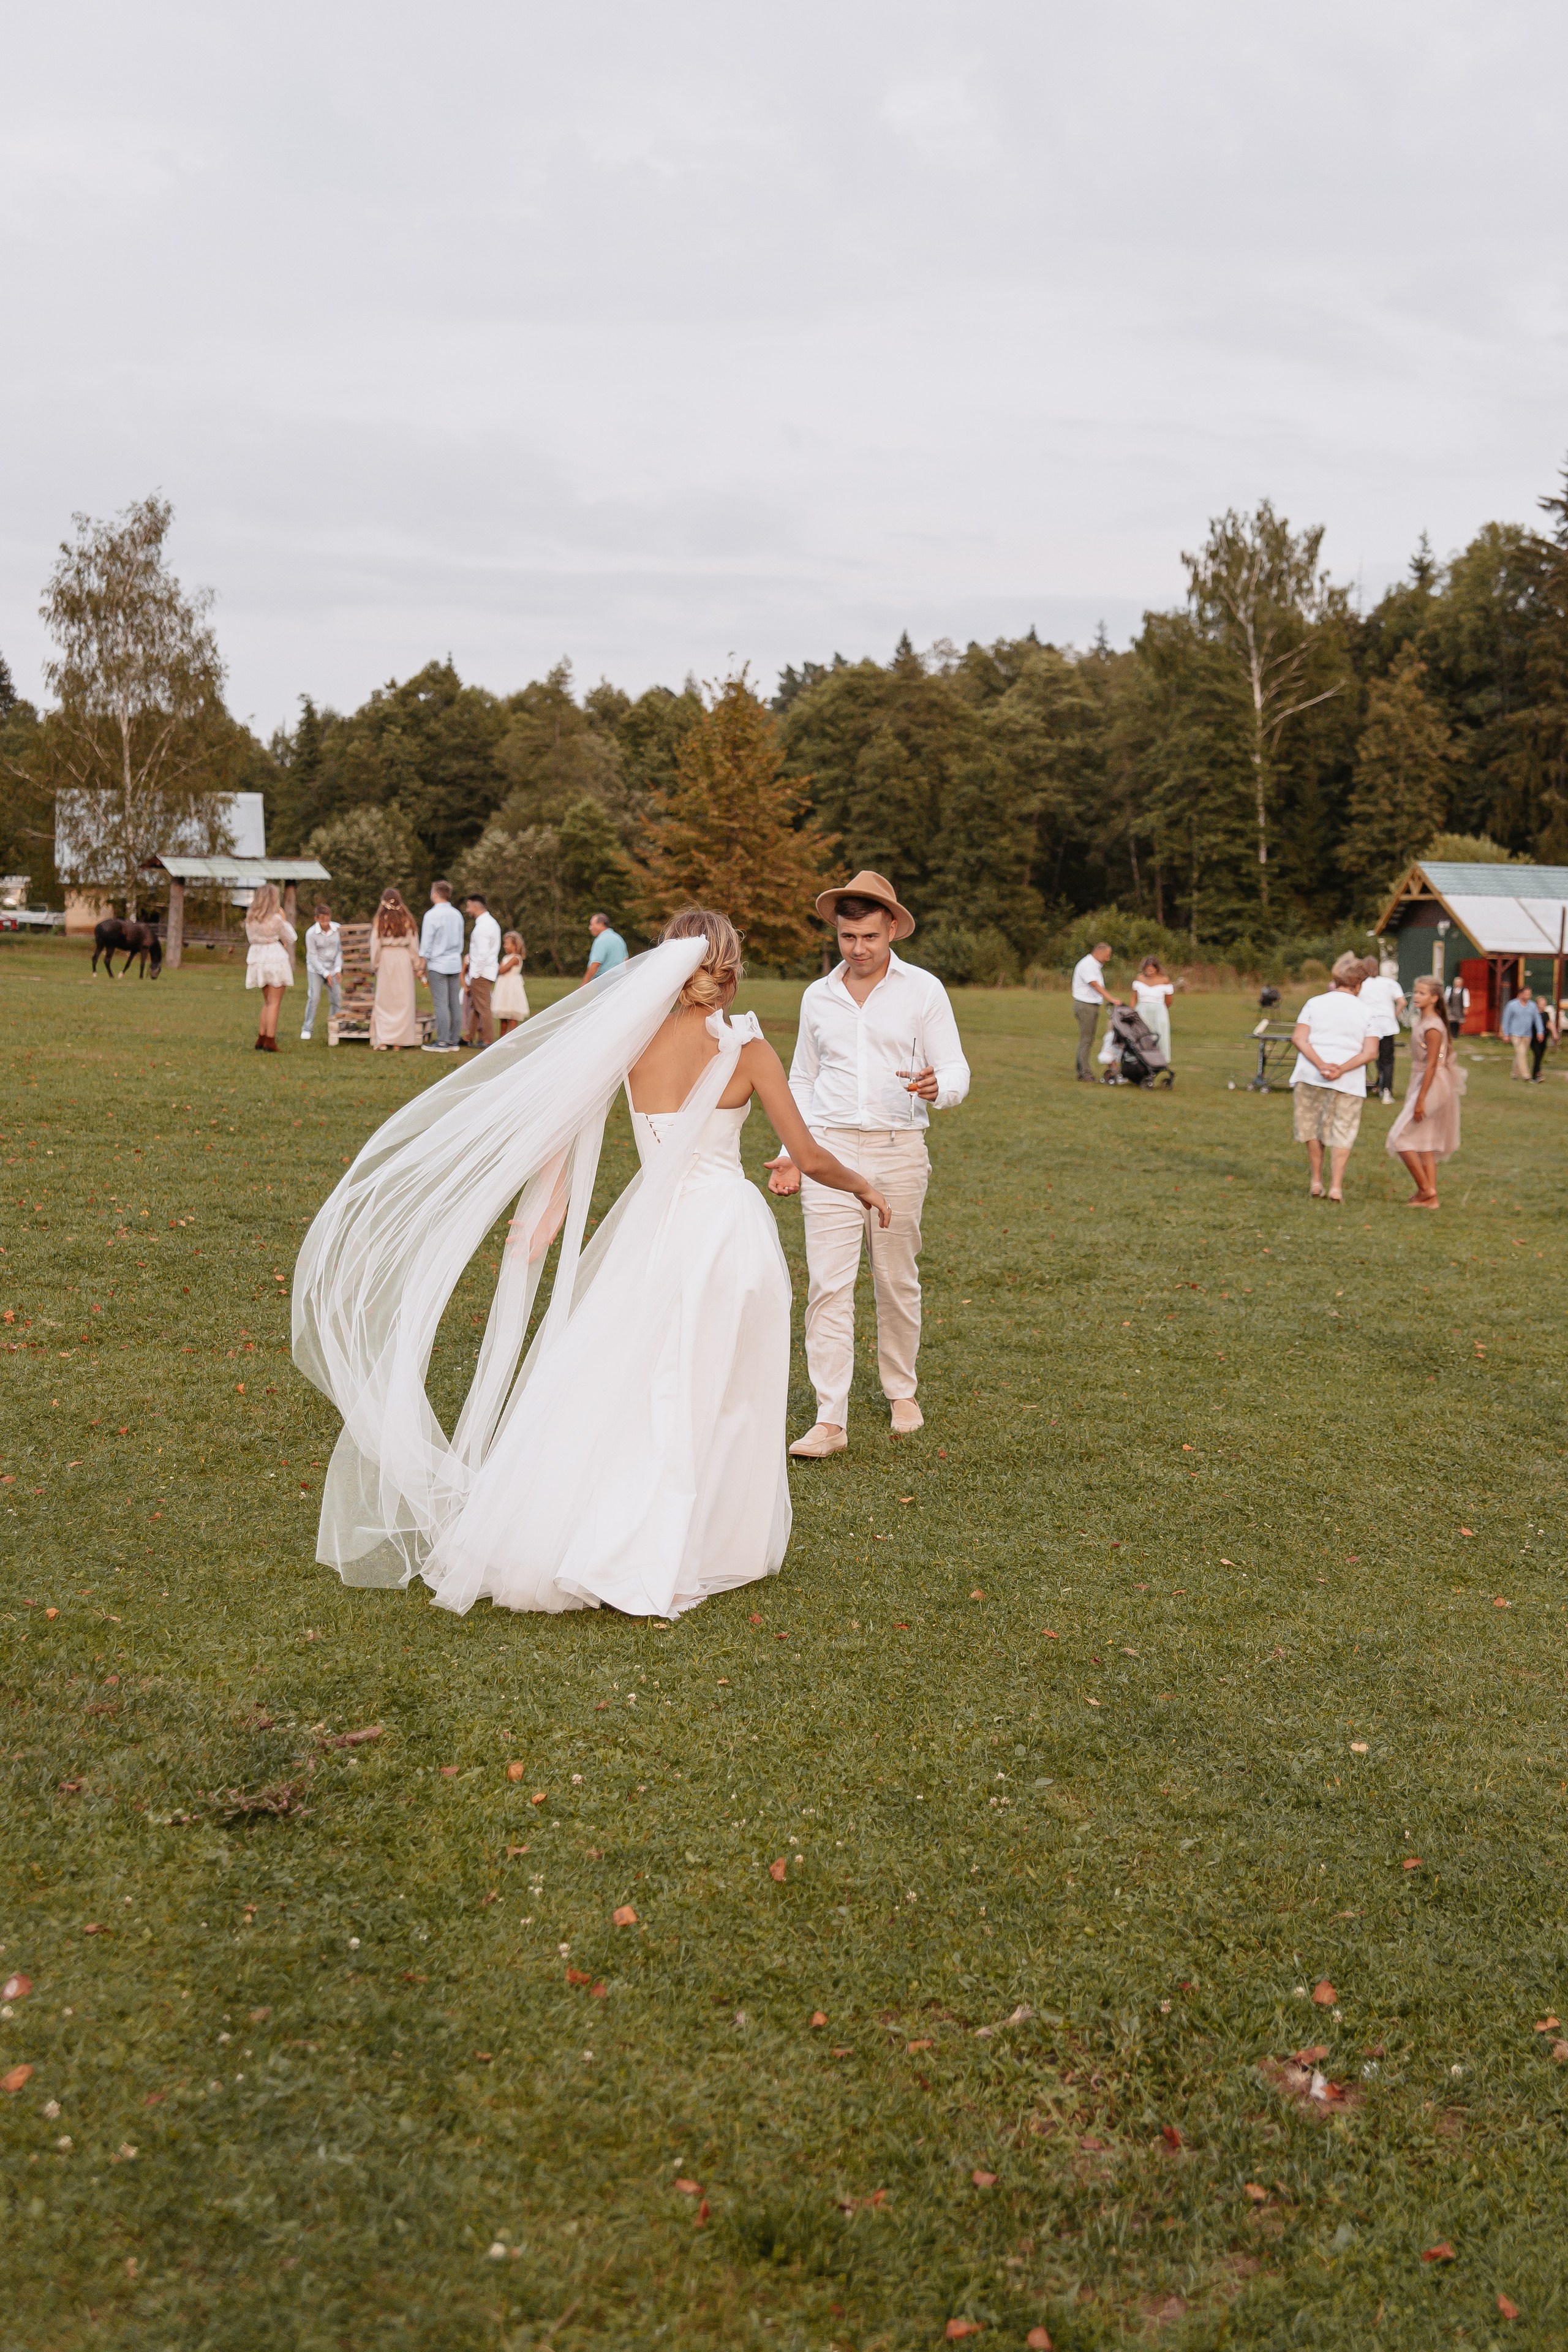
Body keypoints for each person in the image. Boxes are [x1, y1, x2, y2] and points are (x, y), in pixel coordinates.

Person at [293, 908, 889, 1618]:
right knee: (720, 1388)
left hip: (654, 1231)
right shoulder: (748, 1050)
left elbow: (564, 1126)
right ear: (727, 971)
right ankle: (695, 1541)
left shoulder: (629, 1045)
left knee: (644, 1381)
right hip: (727, 1234)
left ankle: (623, 1527)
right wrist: (864, 1185)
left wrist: (546, 1209)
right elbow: (812, 1155)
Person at [764, 870, 970, 1457]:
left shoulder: (924, 990)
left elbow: (956, 1069)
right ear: (837, 932)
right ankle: (830, 1417)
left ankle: (901, 1389)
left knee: (895, 1279)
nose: (858, 949)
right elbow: (802, 1078)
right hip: (827, 1152)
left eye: (870, 938)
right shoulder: (816, 997)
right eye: (848, 936)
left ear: (892, 933)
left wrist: (939, 1088)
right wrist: (790, 1155)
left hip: (898, 1150)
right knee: (828, 1285)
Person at [1287, 951, 1378, 1202]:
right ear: (1359, 985)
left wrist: (1321, 1064)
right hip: (1348, 1082)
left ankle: (1317, 1180)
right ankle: (1336, 1186)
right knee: (1343, 1130)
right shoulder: (1367, 1013)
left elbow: (1299, 1038)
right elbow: (1370, 1052)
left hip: (1310, 1075)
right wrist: (1341, 1069)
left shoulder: (1314, 1003)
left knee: (1312, 1127)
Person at [1386, 974, 1465, 1208]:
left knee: (1399, 1137)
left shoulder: (1433, 1026)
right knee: (1424, 1140)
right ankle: (1432, 1199)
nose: (1416, 996)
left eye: (1422, 993)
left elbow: (1432, 1064)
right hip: (1421, 1079)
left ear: (1434, 998)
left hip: (1431, 1083)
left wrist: (1421, 1100)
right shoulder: (1423, 1020)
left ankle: (1426, 1190)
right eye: (1416, 992)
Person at [244, 883, 295, 1054]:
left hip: (257, 957)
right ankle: (270, 1041)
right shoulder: (276, 918)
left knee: (267, 1002)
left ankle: (262, 1037)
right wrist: (284, 918)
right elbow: (291, 937)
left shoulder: (251, 918)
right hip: (274, 957)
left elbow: (251, 938)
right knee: (275, 1003)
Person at [369, 889, 421, 1049]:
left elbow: (375, 945)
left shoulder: (380, 920)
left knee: (385, 1000)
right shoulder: (407, 919)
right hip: (403, 958)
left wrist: (375, 964)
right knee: (402, 1000)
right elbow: (414, 944)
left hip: (386, 958)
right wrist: (416, 964)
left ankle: (384, 1039)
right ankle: (399, 1041)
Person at [418, 881, 464, 1052]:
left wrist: (422, 964)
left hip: (438, 963)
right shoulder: (457, 914)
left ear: (436, 893)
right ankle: (453, 1041)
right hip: (454, 962)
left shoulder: (432, 915)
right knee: (454, 1004)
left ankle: (443, 1042)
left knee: (441, 1004)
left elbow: (427, 942)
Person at [1357, 957, 1407, 1104]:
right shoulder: (1390, 983)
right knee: (1387, 1060)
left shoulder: (1361, 985)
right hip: (1387, 1025)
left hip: (1367, 1026)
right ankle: (1386, 1091)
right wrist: (1393, 1016)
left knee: (1364, 1058)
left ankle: (1361, 1088)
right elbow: (1402, 1002)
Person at [1071, 941, 1120, 1080]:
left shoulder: (1094, 965)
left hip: (1091, 1005)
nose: (1108, 959)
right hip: (1086, 1006)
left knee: (1087, 1039)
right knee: (1087, 1040)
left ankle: (1081, 1069)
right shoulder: (1088, 965)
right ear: (1099, 952)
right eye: (1107, 955)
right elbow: (1094, 984)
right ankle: (1085, 1073)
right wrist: (1112, 999)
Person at [462, 892, 501, 1047]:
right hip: (486, 971)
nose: (467, 910)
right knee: (477, 1006)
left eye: (468, 906)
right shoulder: (489, 923)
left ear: (476, 907)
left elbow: (482, 954)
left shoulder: (484, 926)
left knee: (483, 1007)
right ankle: (469, 1037)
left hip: (482, 972)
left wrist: (475, 974)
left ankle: (488, 1039)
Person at [300, 902, 342, 1042]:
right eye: (323, 920)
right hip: (316, 970)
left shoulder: (338, 930)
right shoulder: (311, 934)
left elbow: (340, 951)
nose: (326, 923)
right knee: (314, 998)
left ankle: (334, 1028)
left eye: (328, 920)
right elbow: (312, 956)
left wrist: (337, 970)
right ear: (316, 919)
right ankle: (307, 1029)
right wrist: (325, 974)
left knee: (337, 1000)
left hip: (333, 969)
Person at [1132, 957, 1174, 1061]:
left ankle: (1161, 1058)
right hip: (1142, 1009)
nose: (1149, 972)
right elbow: (1134, 997)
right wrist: (1131, 1011)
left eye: (1151, 970)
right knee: (1141, 1033)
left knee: (1160, 1033)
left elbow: (1169, 1001)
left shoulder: (1164, 980)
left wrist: (1160, 1009)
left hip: (1159, 1010)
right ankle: (1140, 1057)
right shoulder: (1139, 979)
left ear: (1156, 969)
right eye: (1147, 970)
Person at [1501, 984, 1541, 1080]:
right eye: (1526, 994)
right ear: (1521, 994)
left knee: (1521, 1054)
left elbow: (1537, 1019)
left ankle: (1515, 1074)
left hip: (1527, 1034)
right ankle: (1526, 1075)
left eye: (1529, 994)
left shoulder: (1532, 1006)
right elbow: (1506, 1020)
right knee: (1521, 1052)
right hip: (1515, 1034)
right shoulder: (1512, 1005)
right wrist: (1506, 1034)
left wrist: (1540, 1031)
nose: (1528, 996)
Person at [493, 931, 529, 1035]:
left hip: (512, 988)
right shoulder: (505, 958)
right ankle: (502, 1038)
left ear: (515, 945)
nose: (505, 946)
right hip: (503, 987)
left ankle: (512, 1037)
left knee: (512, 1014)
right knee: (503, 1015)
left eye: (507, 944)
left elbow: (502, 970)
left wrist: (498, 968)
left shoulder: (515, 958)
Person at [579, 911, 628, 987]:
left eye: (592, 925)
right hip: (619, 980)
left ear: (601, 924)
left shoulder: (601, 940)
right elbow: (626, 960)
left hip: (605, 981)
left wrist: (584, 984)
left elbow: (596, 964)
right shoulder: (618, 938)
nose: (590, 928)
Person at [1446, 974, 1470, 1038]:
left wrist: (1466, 1008)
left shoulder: (1464, 991)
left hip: (1459, 1008)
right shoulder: (1450, 989)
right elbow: (1446, 998)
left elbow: (1466, 1000)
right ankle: (1451, 1033)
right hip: (1451, 1007)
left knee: (1457, 1021)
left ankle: (1455, 1034)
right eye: (1456, 982)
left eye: (1459, 983)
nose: (1457, 984)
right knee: (1451, 1020)